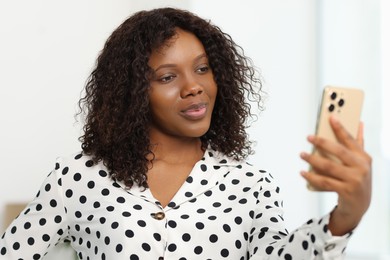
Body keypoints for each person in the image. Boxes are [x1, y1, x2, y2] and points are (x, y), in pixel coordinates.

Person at [0, 7, 371, 260]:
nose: (194, 87)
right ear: (132, 93)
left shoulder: (250, 184)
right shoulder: (76, 177)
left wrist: (345, 216)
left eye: (203, 69)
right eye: (167, 76)